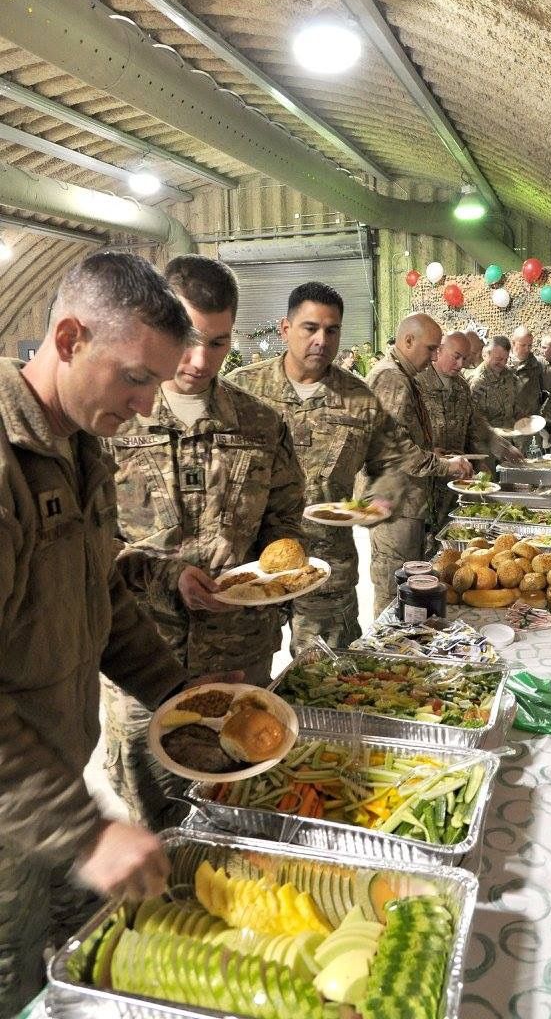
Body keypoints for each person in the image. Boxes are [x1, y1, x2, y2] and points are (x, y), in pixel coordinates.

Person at [0, 251, 224, 1017]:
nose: (144, 405)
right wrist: (89, 833)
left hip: (55, 783)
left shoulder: (78, 446)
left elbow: (98, 597)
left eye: (154, 385)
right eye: (135, 378)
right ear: (67, 339)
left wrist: (179, 695)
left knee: (78, 967)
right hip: (12, 806)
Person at [101, 255, 306, 830]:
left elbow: (286, 527)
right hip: (144, 653)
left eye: (217, 344)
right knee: (153, 809)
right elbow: (88, 547)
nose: (198, 361)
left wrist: (266, 588)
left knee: (237, 797)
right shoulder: (115, 418)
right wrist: (167, 578)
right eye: (187, 339)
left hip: (238, 653)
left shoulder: (260, 425)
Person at [233, 285, 469, 646]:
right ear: (285, 329)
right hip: (252, 561)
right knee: (246, 677)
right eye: (310, 328)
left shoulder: (359, 398)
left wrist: (380, 501)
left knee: (326, 670)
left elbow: (391, 460)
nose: (321, 340)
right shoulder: (242, 391)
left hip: (328, 564)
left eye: (332, 330)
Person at [365, 313, 473, 612]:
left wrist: (430, 450)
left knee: (407, 586)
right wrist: (446, 466)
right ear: (408, 340)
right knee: (394, 590)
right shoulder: (391, 377)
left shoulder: (402, 376)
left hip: (404, 500)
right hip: (394, 503)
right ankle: (386, 654)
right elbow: (394, 449)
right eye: (431, 349)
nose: (434, 356)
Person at [416, 331, 524, 541]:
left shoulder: (461, 386)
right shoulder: (418, 382)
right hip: (422, 480)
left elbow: (475, 425)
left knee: (447, 539)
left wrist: (499, 449)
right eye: (455, 356)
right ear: (438, 350)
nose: (461, 364)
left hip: (453, 480)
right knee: (418, 545)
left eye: (465, 359)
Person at [509, 325, 551, 433]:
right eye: (523, 345)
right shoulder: (502, 363)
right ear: (513, 343)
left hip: (529, 429)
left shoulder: (538, 365)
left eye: (530, 345)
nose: (527, 349)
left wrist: (544, 415)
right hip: (505, 429)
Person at [468, 335, 518, 429]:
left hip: (510, 436)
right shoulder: (478, 382)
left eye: (506, 359)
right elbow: (474, 418)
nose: (503, 364)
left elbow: (513, 404)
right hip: (488, 440)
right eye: (498, 359)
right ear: (485, 355)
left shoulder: (508, 374)